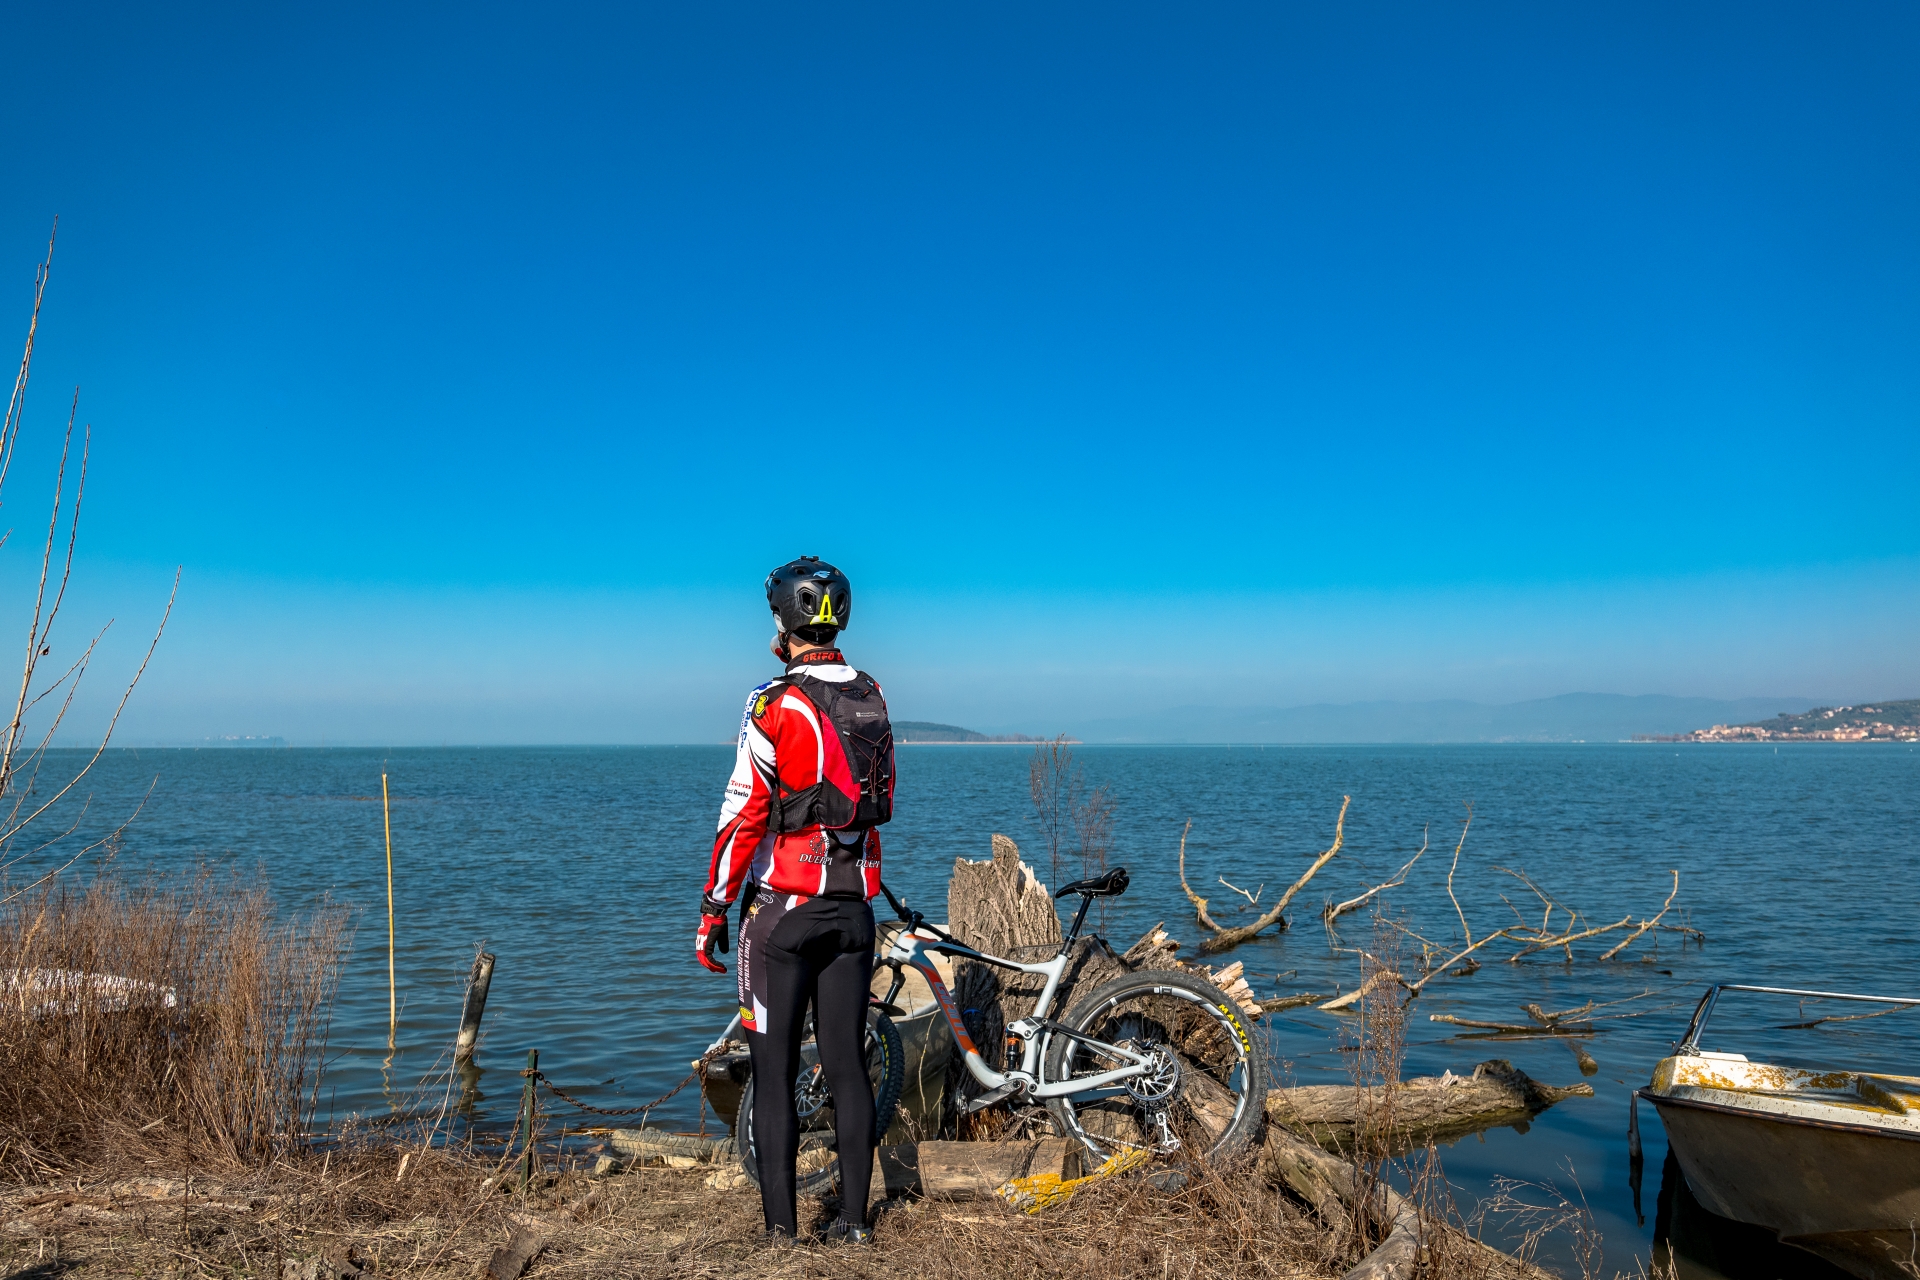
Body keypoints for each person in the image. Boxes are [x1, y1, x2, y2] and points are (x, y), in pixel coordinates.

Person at [695, 556, 895, 1244]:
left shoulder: (770, 701)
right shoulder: (872, 692)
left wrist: (713, 908)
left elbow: (744, 813)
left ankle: (782, 1235)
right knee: (847, 1067)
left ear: (784, 622)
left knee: (775, 1072)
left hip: (783, 911)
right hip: (855, 910)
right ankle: (854, 1224)